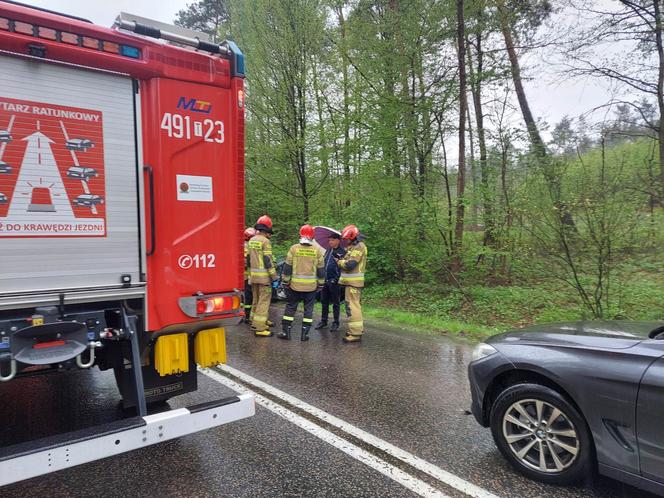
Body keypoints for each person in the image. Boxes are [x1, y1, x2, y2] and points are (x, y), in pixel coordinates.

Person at [278, 225, 325, 341]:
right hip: (311, 287)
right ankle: (305, 335)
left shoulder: (294, 249)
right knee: (308, 309)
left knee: (290, 308)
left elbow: (287, 267)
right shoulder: (317, 251)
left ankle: (286, 332)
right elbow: (321, 270)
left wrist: (285, 281)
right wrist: (321, 284)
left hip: (294, 286)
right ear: (312, 237)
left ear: (300, 234)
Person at [248, 215, 278, 337]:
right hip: (264, 277)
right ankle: (260, 328)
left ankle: (254, 321)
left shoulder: (251, 240)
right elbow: (267, 260)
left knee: (256, 299)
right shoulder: (265, 241)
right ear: (267, 231)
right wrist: (274, 276)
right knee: (264, 301)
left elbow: (249, 258)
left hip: (253, 276)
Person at [337, 224, 367, 343]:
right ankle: (355, 331)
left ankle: (355, 333)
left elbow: (350, 265)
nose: (346, 241)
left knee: (353, 307)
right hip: (351, 283)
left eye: (348, 239)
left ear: (354, 237)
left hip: (354, 283)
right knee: (352, 306)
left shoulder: (359, 247)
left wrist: (339, 262)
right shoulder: (353, 246)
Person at [315, 233, 346, 332]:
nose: (330, 242)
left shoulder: (342, 252)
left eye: (332, 240)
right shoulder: (328, 251)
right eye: (329, 240)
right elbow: (323, 264)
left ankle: (336, 323)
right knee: (324, 301)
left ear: (338, 240)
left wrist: (336, 279)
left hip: (335, 281)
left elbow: (343, 268)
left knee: (336, 303)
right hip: (325, 280)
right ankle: (324, 321)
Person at [242, 226, 257, 323]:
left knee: (248, 296)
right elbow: (246, 262)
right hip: (247, 276)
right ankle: (247, 316)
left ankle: (247, 314)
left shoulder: (244, 245)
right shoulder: (247, 246)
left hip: (246, 276)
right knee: (248, 297)